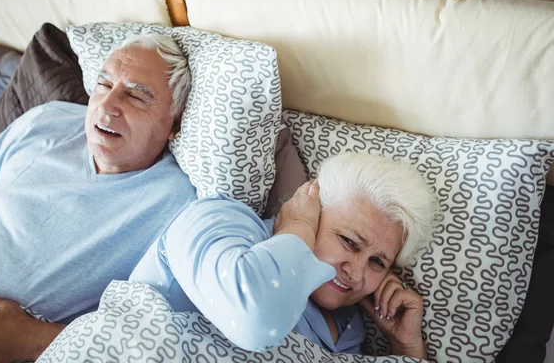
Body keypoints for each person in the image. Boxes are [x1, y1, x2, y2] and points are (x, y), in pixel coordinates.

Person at [0, 34, 197, 362]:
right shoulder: (48, 120)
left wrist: (30, 341)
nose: (107, 106)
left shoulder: (180, 205)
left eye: (136, 97)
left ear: (175, 122)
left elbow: (150, 338)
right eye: (103, 83)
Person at [130, 152, 437, 359]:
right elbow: (255, 319)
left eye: (377, 262)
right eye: (349, 242)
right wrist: (299, 227)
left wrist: (406, 347)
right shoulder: (220, 221)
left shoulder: (350, 329)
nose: (355, 272)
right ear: (311, 203)